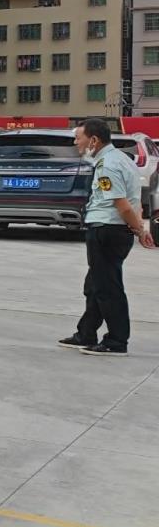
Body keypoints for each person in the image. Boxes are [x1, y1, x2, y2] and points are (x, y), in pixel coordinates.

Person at [61, 117, 154, 356]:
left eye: (78, 138)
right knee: (94, 285)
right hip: (110, 228)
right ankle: (86, 333)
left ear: (93, 140)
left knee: (107, 288)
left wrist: (139, 230)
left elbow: (122, 205)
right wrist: (138, 227)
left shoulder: (108, 166)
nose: (76, 142)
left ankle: (116, 341)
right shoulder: (121, 159)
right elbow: (135, 200)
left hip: (107, 230)